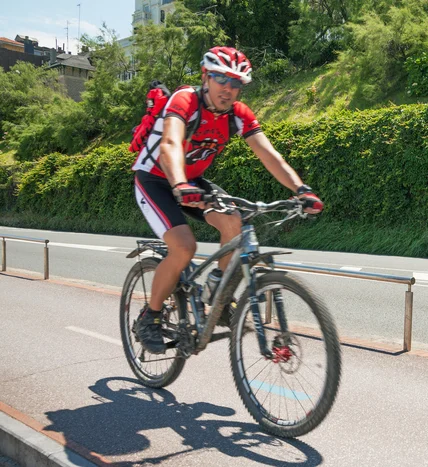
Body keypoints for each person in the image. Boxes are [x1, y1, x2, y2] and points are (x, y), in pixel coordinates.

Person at [131, 46, 323, 354]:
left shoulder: (238, 114)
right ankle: (150, 317)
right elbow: (169, 143)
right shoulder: (185, 100)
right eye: (221, 78)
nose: (229, 88)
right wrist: (179, 182)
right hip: (156, 179)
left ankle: (217, 296)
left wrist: (301, 190)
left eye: (236, 83)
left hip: (191, 182)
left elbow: (268, 154)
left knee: (234, 220)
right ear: (206, 77)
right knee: (183, 247)